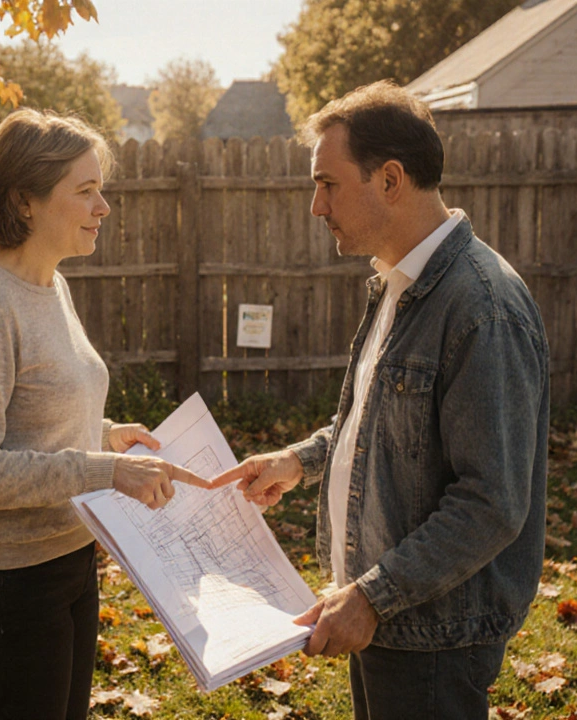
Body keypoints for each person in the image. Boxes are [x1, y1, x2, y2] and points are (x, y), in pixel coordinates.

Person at [211, 81, 550, 719]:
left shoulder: (482, 308)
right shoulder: (399, 282)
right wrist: (298, 461)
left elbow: (492, 500)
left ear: (390, 179)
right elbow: (376, 420)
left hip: (434, 636)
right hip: (389, 616)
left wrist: (371, 597)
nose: (316, 206)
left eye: (328, 183)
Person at [0, 108, 207, 720]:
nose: (103, 207)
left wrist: (107, 436)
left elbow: (32, 421)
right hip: (5, 585)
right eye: (85, 192)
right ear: (25, 201)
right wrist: (102, 468)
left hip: (70, 558)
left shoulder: (51, 285)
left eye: (99, 190)